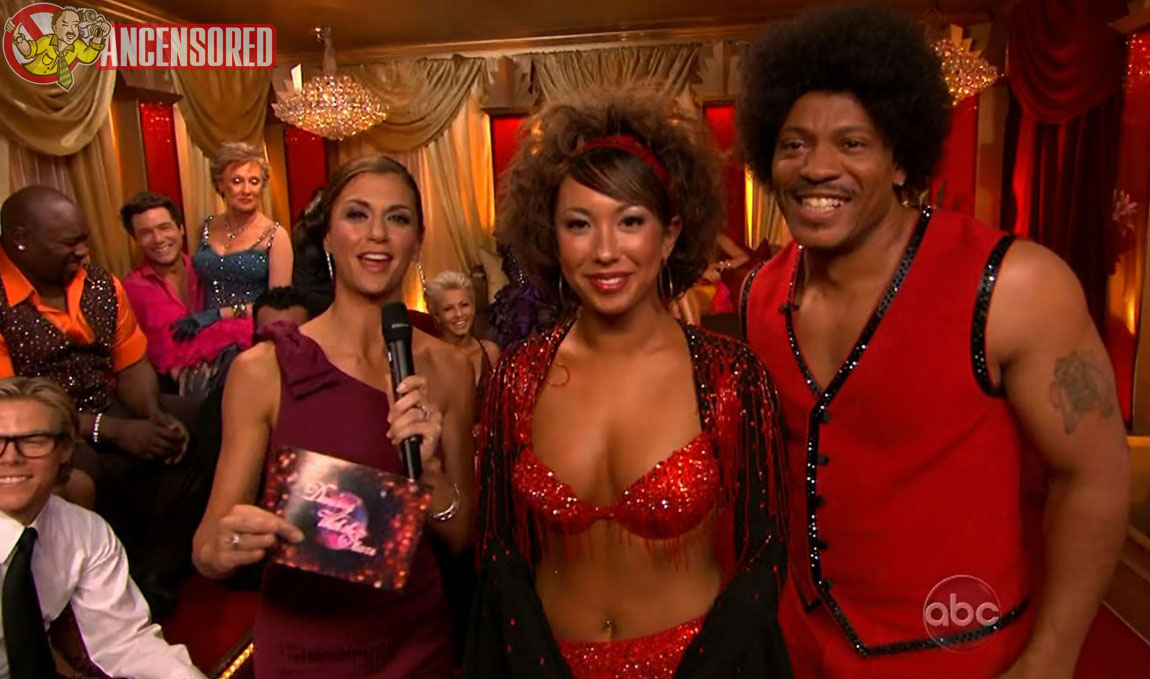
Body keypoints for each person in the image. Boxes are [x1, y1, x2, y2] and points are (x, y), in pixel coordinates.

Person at [737, 6, 1131, 678]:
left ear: (900, 162)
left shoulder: (1015, 285)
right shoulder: (758, 295)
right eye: (793, 144)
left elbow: (1093, 476)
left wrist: (1052, 656)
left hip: (959, 654)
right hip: (797, 647)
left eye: (852, 144)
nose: (817, 167)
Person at [463, 89, 789, 679]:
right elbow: (498, 550)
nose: (606, 251)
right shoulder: (518, 377)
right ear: (552, 237)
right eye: (579, 224)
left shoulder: (729, 377)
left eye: (631, 221)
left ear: (670, 235)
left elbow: (763, 557)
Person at [193, 155, 477, 679]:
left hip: (416, 642)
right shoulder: (265, 369)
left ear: (417, 239)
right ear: (327, 235)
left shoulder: (451, 369)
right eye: (356, 214)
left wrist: (433, 476)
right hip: (303, 649)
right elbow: (208, 546)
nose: (377, 234)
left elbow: (461, 536)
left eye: (397, 218)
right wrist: (228, 546)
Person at [0, 186, 208, 616]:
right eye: (68, 243)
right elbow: (10, 408)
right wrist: (111, 430)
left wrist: (152, 415)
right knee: (77, 473)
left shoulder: (100, 283)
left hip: (108, 401)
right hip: (33, 426)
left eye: (84, 240)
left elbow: (131, 363)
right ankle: (90, 599)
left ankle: (153, 570)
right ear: (21, 240)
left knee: (202, 421)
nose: (81, 252)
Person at [0, 376, 206, 679]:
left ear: (65, 449)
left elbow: (125, 643)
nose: (11, 458)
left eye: (34, 440)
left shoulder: (85, 533)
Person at [121, 191, 252, 395]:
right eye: (146, 233)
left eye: (164, 227)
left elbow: (251, 308)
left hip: (238, 367)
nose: (158, 239)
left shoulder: (205, 269)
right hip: (186, 388)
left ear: (180, 228)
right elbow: (166, 352)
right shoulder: (133, 289)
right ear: (135, 239)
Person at [193, 142, 293, 325]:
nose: (246, 190)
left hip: (253, 331)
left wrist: (222, 314)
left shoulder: (276, 235)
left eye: (254, 182)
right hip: (204, 329)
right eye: (237, 181)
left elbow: (277, 306)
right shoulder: (205, 227)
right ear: (220, 184)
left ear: (262, 187)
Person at [425, 270, 501, 397]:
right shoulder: (431, 358)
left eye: (464, 305)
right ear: (437, 316)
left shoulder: (490, 352)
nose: (459, 314)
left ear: (473, 307)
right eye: (448, 309)